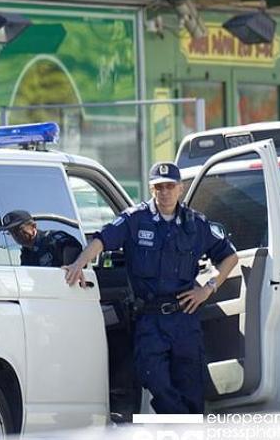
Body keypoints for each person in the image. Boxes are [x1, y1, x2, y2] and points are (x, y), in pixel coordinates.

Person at [63, 162, 238, 415]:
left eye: (169, 186)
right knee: (157, 383)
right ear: (151, 189)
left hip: (184, 318)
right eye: (159, 187)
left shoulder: (195, 224)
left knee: (191, 387)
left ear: (180, 188)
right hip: (150, 320)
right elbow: (102, 240)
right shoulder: (135, 220)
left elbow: (229, 257)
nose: (164, 192)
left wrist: (208, 288)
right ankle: (181, 433)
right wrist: (79, 263)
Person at [0, 209, 83, 267]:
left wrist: (69, 270)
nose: (15, 235)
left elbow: (72, 247)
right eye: (10, 232)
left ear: (33, 226)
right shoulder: (26, 255)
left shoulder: (52, 239)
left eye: (18, 230)